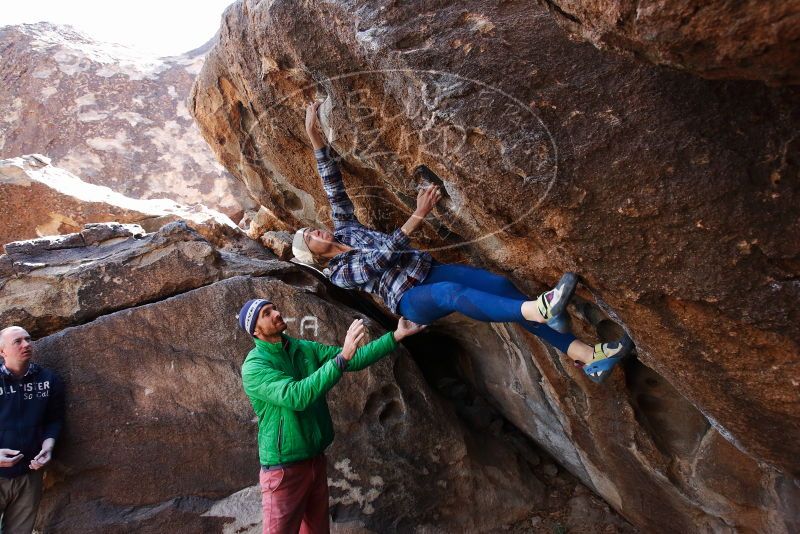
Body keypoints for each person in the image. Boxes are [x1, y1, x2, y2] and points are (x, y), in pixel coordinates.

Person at [291, 102, 634, 383]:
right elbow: (380, 258)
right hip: (410, 299)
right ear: (315, 255)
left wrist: (314, 136)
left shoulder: (345, 229)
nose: (315, 232)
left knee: (499, 285)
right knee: (454, 296)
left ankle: (588, 357)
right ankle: (541, 310)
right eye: (309, 239)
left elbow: (332, 184)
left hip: (428, 269)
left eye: (310, 230)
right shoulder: (338, 274)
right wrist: (419, 213)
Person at [238, 298, 424, 533]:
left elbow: (352, 359)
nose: (276, 313)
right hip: (283, 469)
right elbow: (297, 396)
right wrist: (341, 358)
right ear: (255, 329)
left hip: (315, 460)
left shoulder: (301, 347)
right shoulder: (255, 367)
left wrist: (396, 335)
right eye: (266, 313)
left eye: (274, 307)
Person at [0, 326, 65, 534]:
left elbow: (54, 420)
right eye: (17, 341)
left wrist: (48, 446)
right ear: (2, 352)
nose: (26, 344)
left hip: (29, 474)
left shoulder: (48, 380)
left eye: (28, 339)